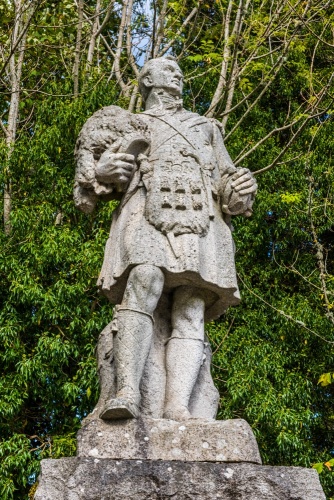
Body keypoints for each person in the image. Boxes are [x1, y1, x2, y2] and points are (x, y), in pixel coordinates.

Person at [74, 56, 257, 421]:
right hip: (145, 207)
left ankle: (178, 406)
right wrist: (101, 170)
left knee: (191, 304)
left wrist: (241, 190)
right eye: (167, 69)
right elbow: (86, 191)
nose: (177, 75)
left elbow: (228, 185)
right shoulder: (126, 123)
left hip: (201, 216)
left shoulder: (205, 127)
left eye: (180, 71)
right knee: (145, 278)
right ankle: (126, 392)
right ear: (146, 79)